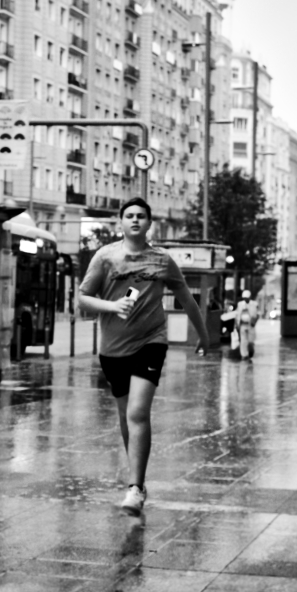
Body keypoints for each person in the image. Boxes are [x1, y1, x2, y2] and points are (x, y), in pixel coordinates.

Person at [77, 197, 210, 517]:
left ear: (150, 224)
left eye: (141, 216)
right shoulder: (105, 257)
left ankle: (135, 487)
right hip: (112, 349)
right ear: (120, 222)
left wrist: (204, 336)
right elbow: (82, 301)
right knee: (126, 418)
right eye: (129, 216)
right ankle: (137, 477)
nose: (135, 220)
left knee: (137, 412)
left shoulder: (162, 261)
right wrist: (113, 307)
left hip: (151, 342)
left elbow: (187, 300)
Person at [233, 289, 258, 360]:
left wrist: (254, 322)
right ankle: (244, 355)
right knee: (243, 340)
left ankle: (251, 351)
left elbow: (257, 314)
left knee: (251, 341)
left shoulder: (254, 304)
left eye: (247, 298)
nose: (245, 299)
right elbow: (237, 314)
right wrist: (237, 324)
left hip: (251, 325)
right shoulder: (240, 304)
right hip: (243, 325)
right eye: (244, 298)